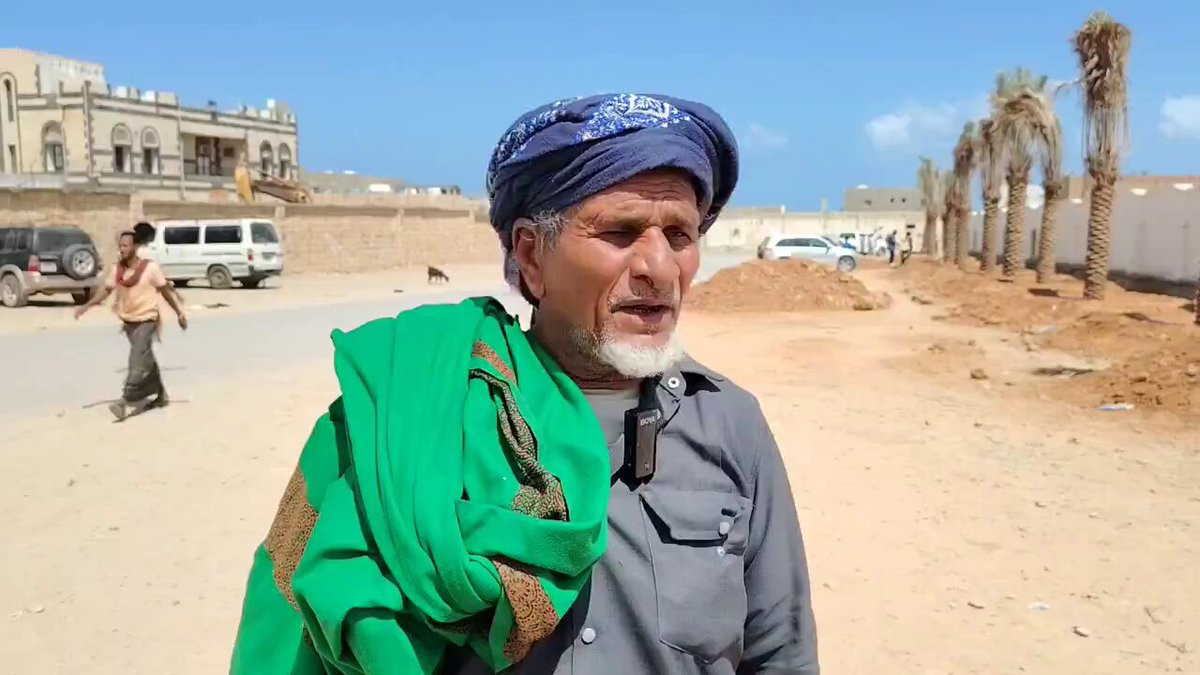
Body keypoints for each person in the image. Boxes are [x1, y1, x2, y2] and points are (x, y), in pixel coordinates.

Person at [230, 93, 819, 675]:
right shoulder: (409, 416)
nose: (660, 268)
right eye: (621, 232)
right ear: (532, 256)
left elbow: (781, 655)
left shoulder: (731, 426)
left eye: (680, 236)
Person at [75, 230, 188, 420]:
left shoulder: (150, 268)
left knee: (136, 359)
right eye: (120, 246)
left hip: (148, 320)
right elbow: (106, 291)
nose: (122, 249)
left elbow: (165, 292)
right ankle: (161, 395)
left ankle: (125, 399)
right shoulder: (118, 270)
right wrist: (86, 306)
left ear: (134, 247)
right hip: (129, 322)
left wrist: (179, 313)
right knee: (146, 358)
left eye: (125, 245)